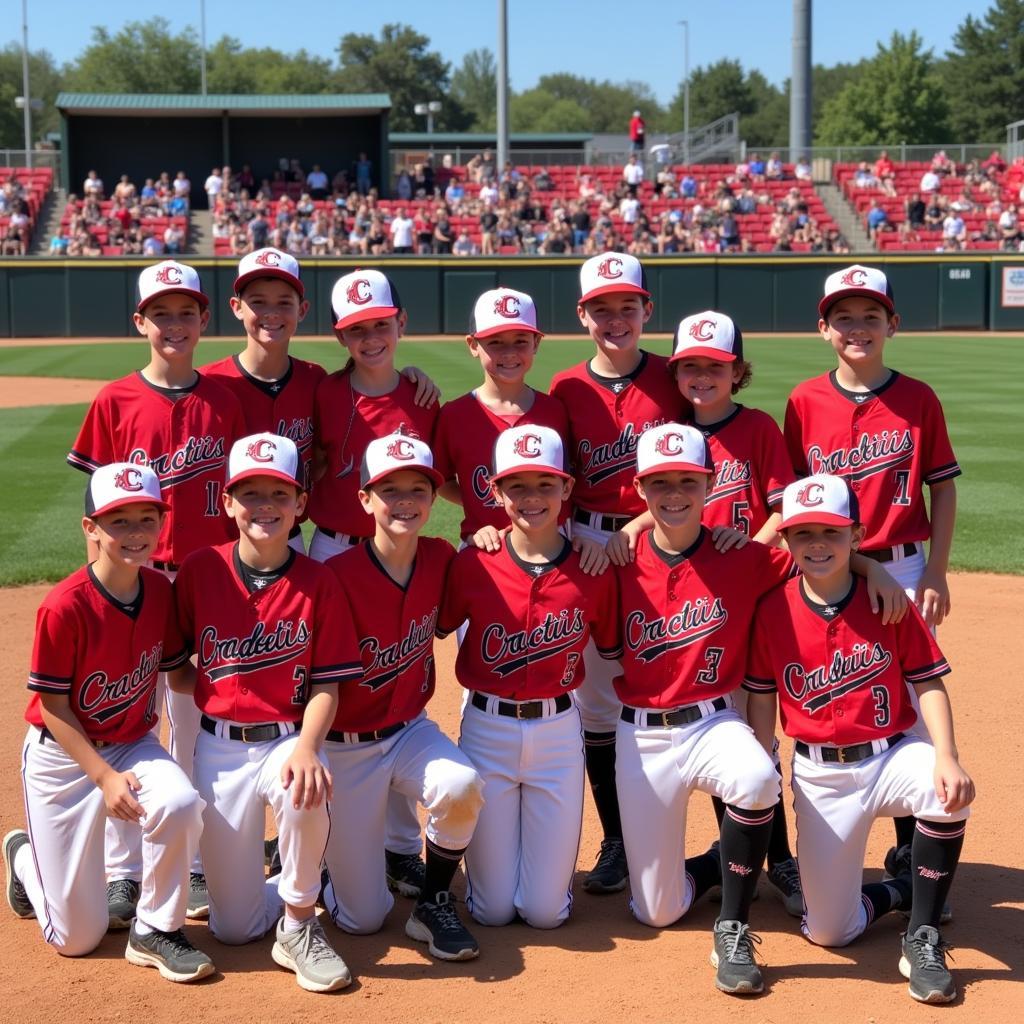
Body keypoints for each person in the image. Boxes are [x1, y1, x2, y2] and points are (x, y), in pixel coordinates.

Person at [608, 424, 906, 995]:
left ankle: (733, 924)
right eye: (660, 483)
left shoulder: (743, 555)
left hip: (715, 721)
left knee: (756, 776)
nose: (674, 493)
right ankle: (715, 864)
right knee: (656, 912)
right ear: (640, 490)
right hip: (640, 736)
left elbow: (822, 558)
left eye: (687, 481)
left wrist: (874, 567)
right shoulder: (617, 558)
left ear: (709, 483)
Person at [745, 474, 974, 1004]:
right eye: (803, 534)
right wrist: (763, 759)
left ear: (858, 533)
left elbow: (927, 681)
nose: (818, 544)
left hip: (891, 755)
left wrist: (947, 755)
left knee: (947, 793)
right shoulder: (772, 609)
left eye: (831, 531)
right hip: (821, 775)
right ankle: (899, 890)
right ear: (786, 541)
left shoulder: (889, 602)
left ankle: (923, 935)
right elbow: (760, 699)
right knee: (830, 931)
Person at [67, 261, 246, 926]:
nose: (175, 325)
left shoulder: (227, 400)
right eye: (160, 313)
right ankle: (125, 868)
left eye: (186, 312)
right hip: (138, 582)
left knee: (195, 718)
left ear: (205, 319)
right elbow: (94, 511)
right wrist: (107, 595)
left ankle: (193, 859)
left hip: (207, 581)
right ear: (139, 321)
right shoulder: (115, 401)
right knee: (125, 719)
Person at [611, 311, 802, 915]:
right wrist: (635, 527)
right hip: (696, 589)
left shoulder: (757, 429)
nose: (701, 376)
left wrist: (745, 552)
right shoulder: (668, 436)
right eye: (689, 365)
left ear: (736, 371)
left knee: (753, 748)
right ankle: (723, 860)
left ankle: (781, 860)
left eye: (714, 365)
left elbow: (782, 510)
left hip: (746, 591)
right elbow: (655, 503)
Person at [784, 265, 962, 915]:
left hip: (906, 566)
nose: (858, 328)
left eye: (870, 315)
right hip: (838, 563)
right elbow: (802, 513)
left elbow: (941, 487)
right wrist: (867, 568)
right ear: (823, 328)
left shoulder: (917, 398)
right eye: (845, 317)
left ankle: (914, 847)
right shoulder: (805, 401)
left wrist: (936, 571)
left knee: (910, 697)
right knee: (854, 682)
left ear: (893, 324)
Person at [3, 463, 212, 982]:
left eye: (147, 518)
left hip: (132, 743)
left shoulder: (159, 594)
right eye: (119, 521)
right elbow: (53, 706)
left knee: (180, 801)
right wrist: (102, 777)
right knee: (76, 939)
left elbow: (177, 674)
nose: (136, 532)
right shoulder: (64, 607)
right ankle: (24, 858)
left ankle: (156, 928)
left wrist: (244, 682)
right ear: (90, 528)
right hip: (64, 758)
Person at [170, 433, 354, 991]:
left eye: (279, 492)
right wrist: (217, 691)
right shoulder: (202, 570)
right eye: (250, 493)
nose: (265, 506)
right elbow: (177, 661)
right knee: (235, 929)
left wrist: (306, 745)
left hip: (282, 740)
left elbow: (326, 684)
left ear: (300, 503)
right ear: (227, 502)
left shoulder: (319, 581)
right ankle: (301, 879)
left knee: (307, 785)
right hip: (219, 750)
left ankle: (300, 919)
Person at [437, 425, 619, 928]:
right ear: (495, 493)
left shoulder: (592, 566)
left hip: (558, 734)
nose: (532, 497)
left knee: (545, 914)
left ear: (567, 489)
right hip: (487, 730)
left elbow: (612, 643)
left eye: (545, 483)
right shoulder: (473, 562)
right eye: (517, 485)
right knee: (492, 911)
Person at [548, 253, 690, 896]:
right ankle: (615, 839)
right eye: (601, 308)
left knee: (673, 679)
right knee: (597, 704)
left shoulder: (675, 378)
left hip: (660, 542)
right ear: (582, 315)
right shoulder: (565, 389)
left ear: (647, 311)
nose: (615, 318)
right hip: (587, 547)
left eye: (626, 306)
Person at [321, 434, 484, 959]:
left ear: (434, 498)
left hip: (409, 730)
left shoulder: (439, 558)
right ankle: (323, 867)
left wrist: (489, 538)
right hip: (344, 746)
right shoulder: (333, 577)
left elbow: (471, 603)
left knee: (460, 784)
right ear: (365, 499)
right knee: (363, 920)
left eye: (418, 488)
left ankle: (434, 900)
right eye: (390, 490)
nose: (406, 500)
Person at [306, 269, 440, 897]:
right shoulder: (321, 394)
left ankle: (396, 846)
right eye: (357, 330)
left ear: (400, 323)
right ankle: (324, 834)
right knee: (338, 680)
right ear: (341, 336)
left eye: (380, 325)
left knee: (395, 679)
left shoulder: (423, 398)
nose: (371, 338)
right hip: (336, 546)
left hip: (402, 545)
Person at [433, 288, 568, 548]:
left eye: (520, 340)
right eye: (495, 341)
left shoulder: (555, 411)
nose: (509, 352)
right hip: (482, 543)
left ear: (536, 343)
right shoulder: (455, 414)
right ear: (473, 345)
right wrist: (481, 501)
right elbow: (441, 481)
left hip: (549, 545)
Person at [203, 249, 322, 525]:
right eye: (257, 302)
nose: (271, 313)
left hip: (289, 536)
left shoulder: (315, 380)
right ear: (236, 307)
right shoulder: (209, 384)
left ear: (302, 310)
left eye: (284, 302)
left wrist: (409, 376)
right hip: (227, 536)